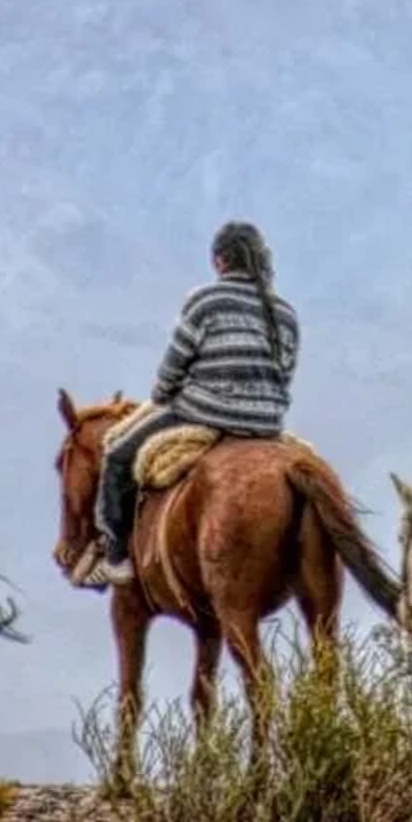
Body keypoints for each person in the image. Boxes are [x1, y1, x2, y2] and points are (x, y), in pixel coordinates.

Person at [82, 221, 300, 587]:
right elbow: (285, 373)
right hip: (267, 422)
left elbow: (173, 366)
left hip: (204, 412)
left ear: (218, 262)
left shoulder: (205, 301)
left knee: (118, 453)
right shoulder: (285, 312)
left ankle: (116, 556)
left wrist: (164, 394)